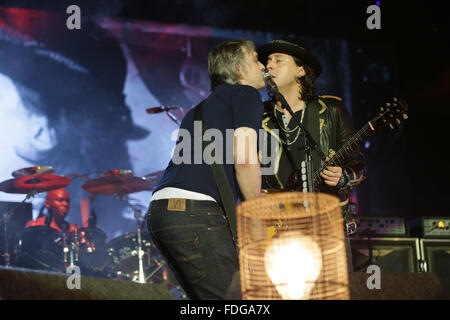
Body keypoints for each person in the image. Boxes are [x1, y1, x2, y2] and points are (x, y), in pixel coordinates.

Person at [147, 39, 265, 300]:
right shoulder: (246, 94)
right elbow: (245, 158)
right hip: (194, 213)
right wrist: (256, 217)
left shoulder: (198, 110)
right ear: (238, 69)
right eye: (256, 59)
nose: (263, 65)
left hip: (161, 212)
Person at [257, 38, 366, 266]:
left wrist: (343, 176)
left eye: (278, 60)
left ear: (301, 71)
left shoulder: (331, 109)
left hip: (326, 226)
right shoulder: (258, 116)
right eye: (267, 61)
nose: (269, 66)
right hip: (275, 228)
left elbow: (358, 164)